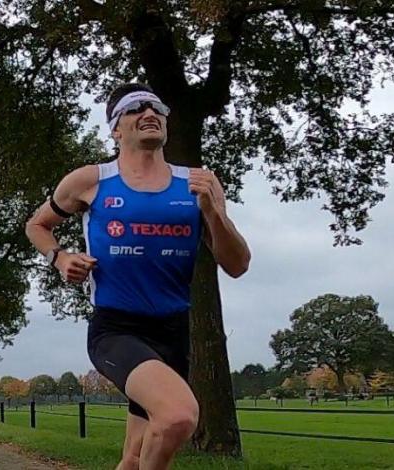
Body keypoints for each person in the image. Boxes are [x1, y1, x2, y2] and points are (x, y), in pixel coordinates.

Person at [25, 82, 251, 470]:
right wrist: (60, 259)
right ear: (116, 129)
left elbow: (237, 264)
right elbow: (37, 226)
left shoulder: (199, 183)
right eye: (135, 109)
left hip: (174, 332)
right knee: (178, 415)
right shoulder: (90, 181)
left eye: (156, 107)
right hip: (117, 330)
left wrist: (214, 213)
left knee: (133, 457)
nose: (149, 113)